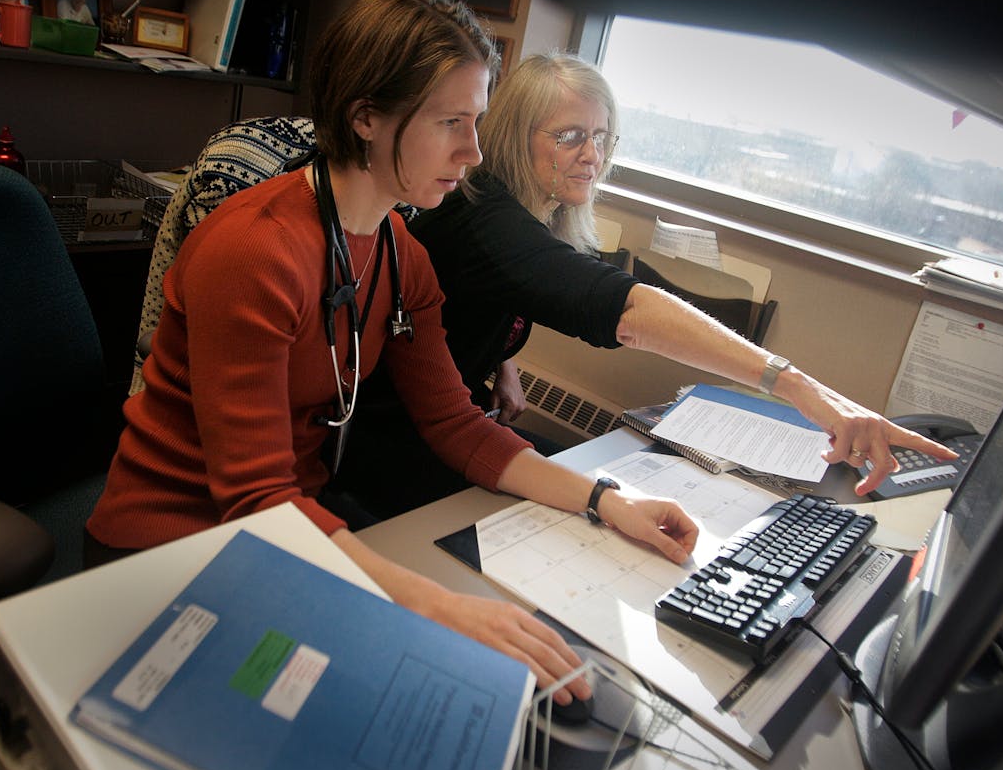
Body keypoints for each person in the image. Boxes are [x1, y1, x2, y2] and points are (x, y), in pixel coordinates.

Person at [84, 0, 700, 708]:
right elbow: (254, 499)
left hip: (288, 531)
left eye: (476, 122)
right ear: (366, 117)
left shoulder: (398, 250)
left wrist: (605, 499)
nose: (473, 152)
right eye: (450, 123)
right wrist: (438, 605)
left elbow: (455, 423)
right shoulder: (254, 252)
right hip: (168, 548)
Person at [333, 51, 957, 521]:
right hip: (394, 439)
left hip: (457, 410)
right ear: (511, 137)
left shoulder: (517, 215)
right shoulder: (484, 217)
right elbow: (616, 306)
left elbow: (490, 292)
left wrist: (501, 360)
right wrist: (798, 386)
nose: (591, 154)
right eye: (569, 135)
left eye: (602, 136)